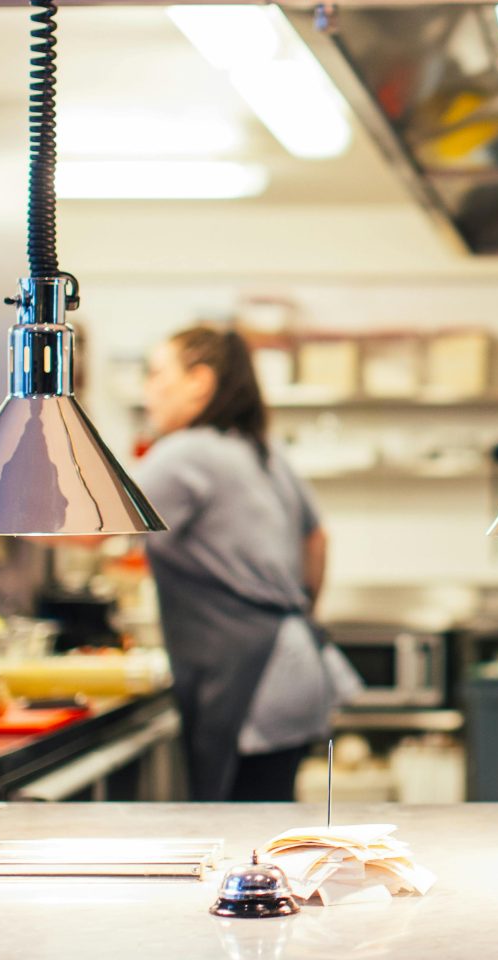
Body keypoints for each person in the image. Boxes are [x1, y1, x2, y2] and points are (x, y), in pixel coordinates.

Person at [134, 325, 358, 801]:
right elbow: (316, 540)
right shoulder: (262, 450)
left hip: (248, 677)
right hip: (293, 660)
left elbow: (88, 528)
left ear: (199, 381)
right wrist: (301, 610)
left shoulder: (183, 453)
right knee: (266, 820)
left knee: (241, 834)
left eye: (156, 373)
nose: (146, 389)